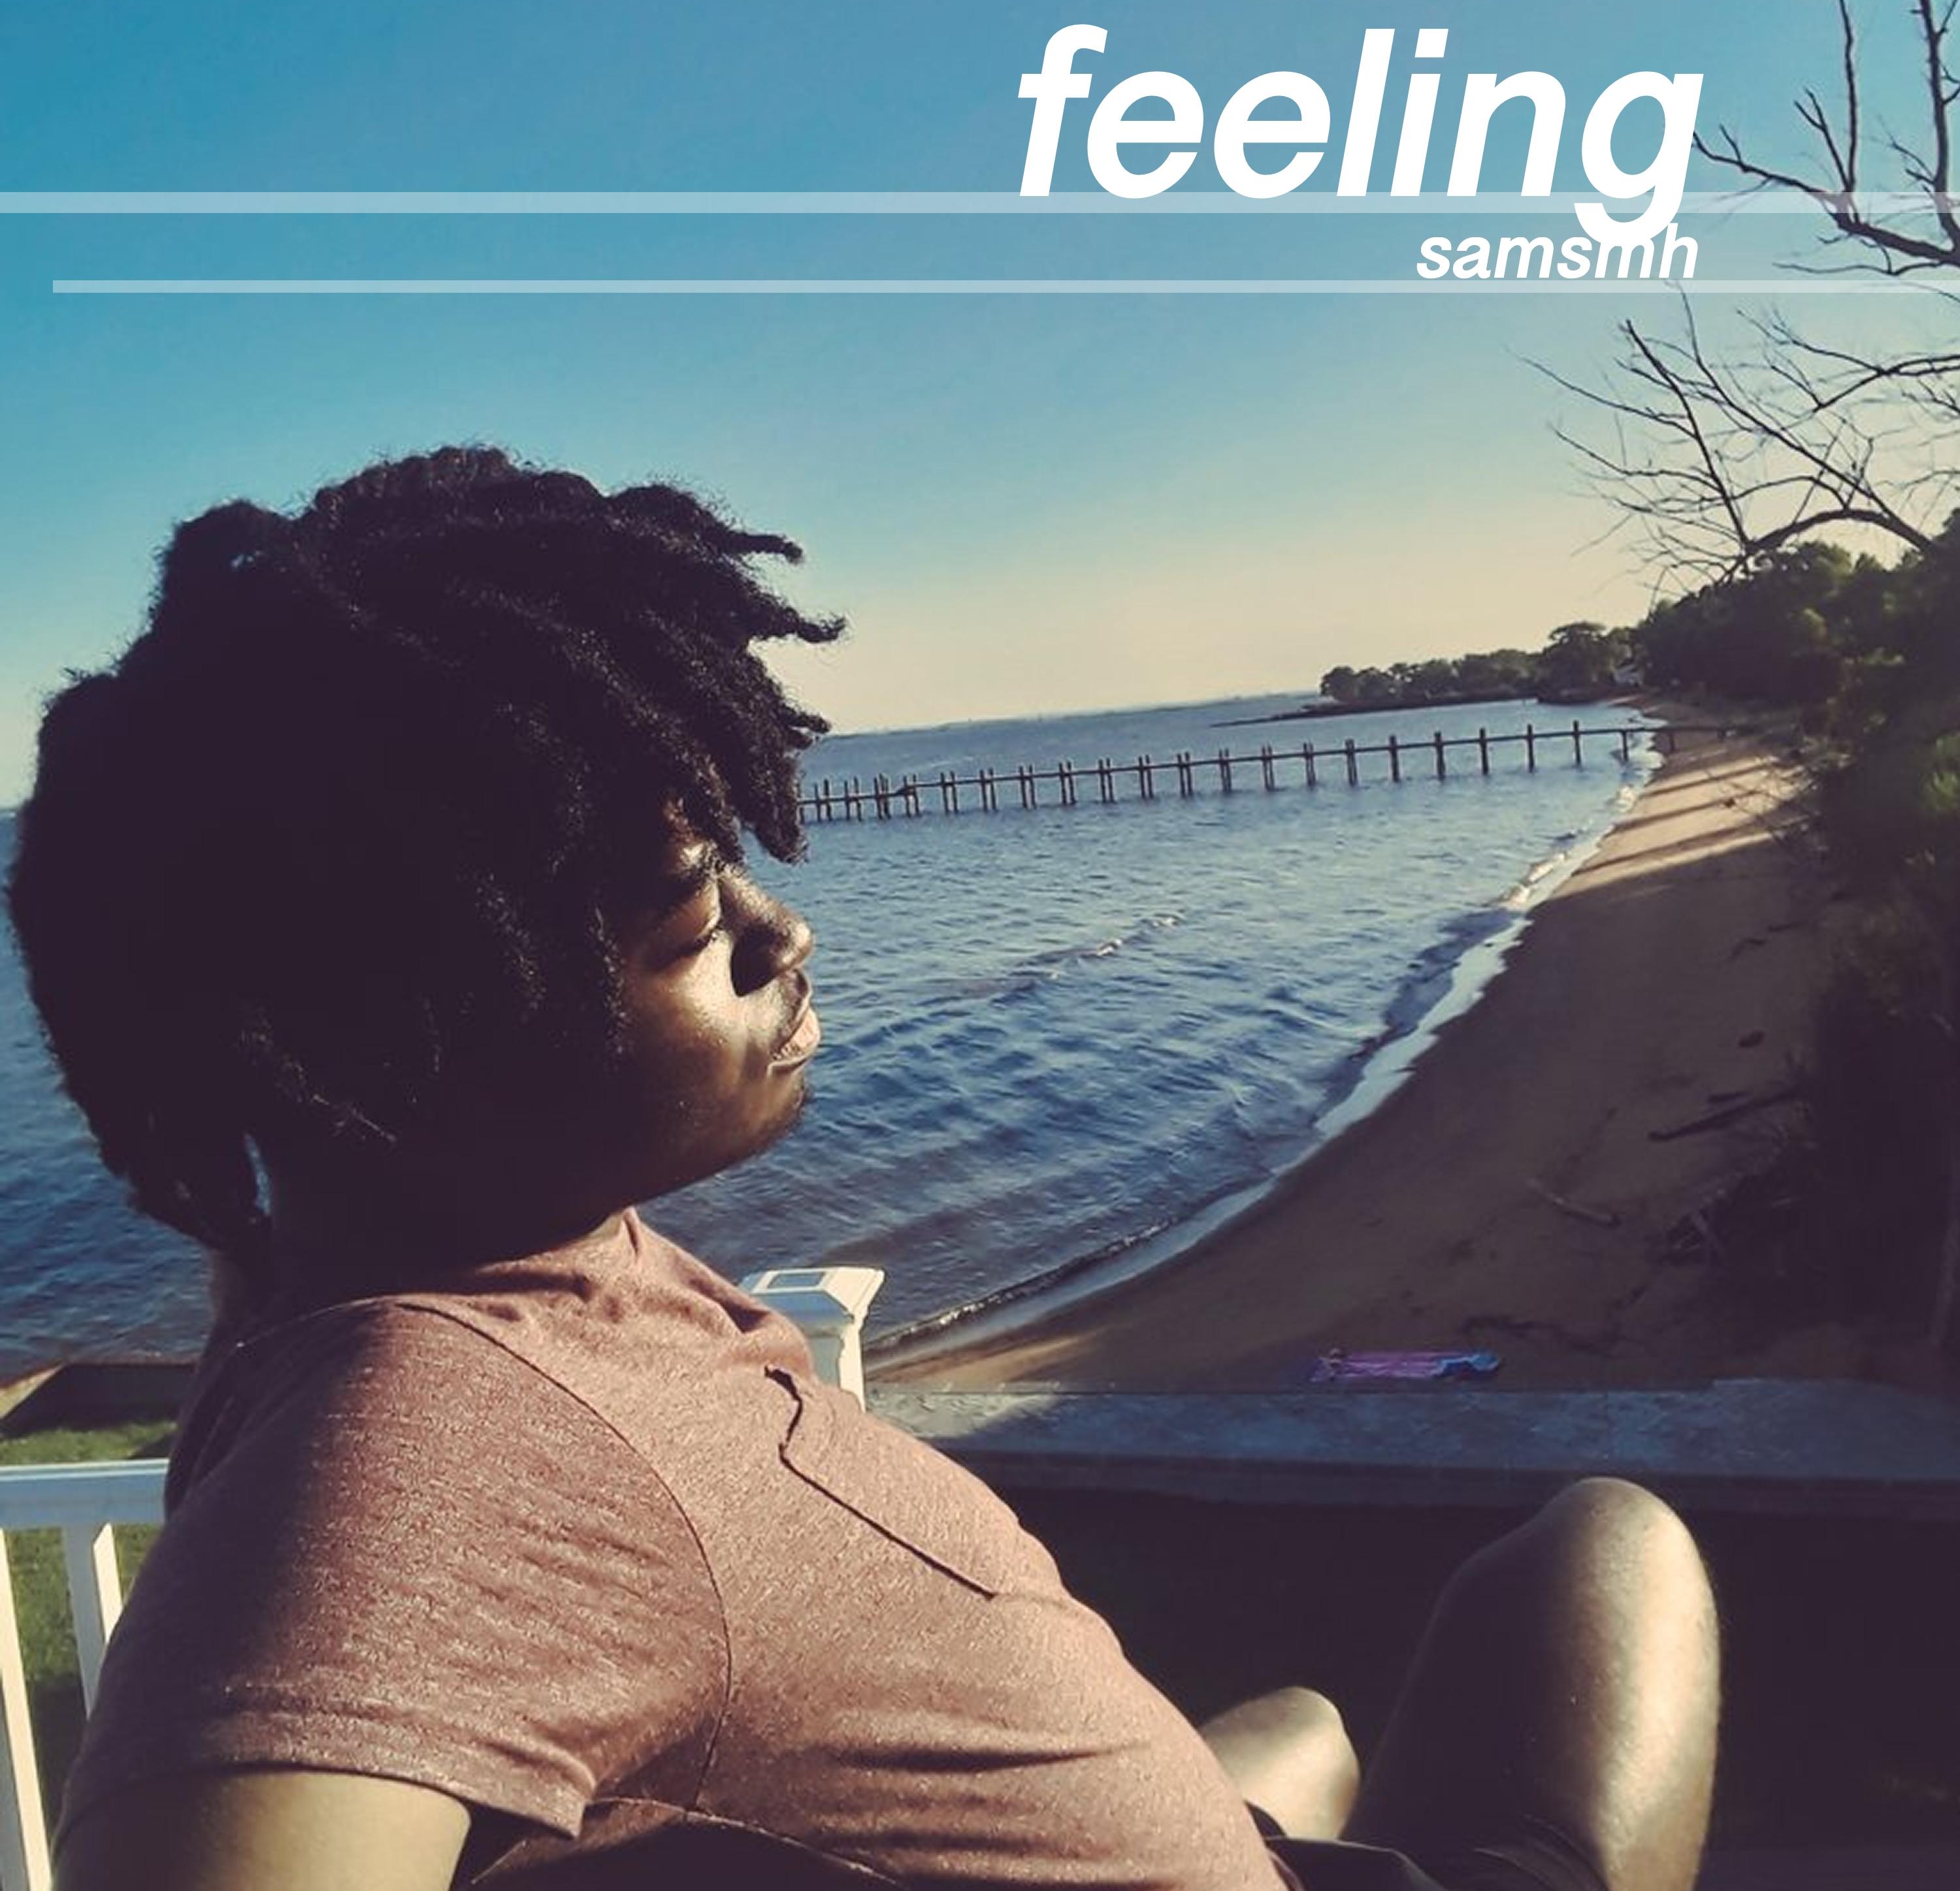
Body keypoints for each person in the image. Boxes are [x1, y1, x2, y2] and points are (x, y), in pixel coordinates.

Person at [8, 449, 1720, 1891]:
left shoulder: (439, 1258)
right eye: (698, 915)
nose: (788, 934)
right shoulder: (423, 1437)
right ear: (429, 1026)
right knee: (1612, 1544)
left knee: (1303, 1731)